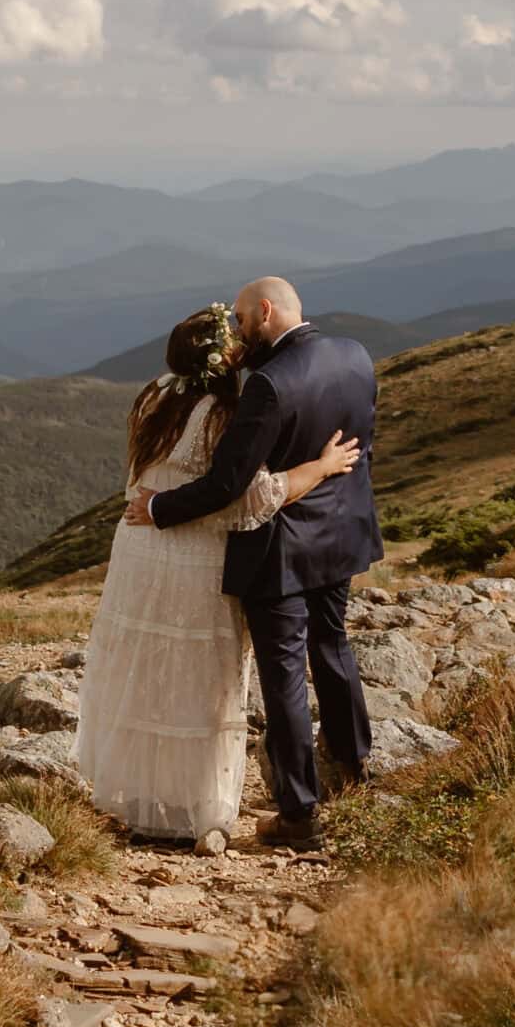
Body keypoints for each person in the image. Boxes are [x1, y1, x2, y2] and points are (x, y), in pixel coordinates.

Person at [79, 302, 366, 846]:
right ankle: (190, 807)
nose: (242, 340)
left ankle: (140, 797)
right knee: (199, 678)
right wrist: (321, 468)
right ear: (221, 358)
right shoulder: (220, 414)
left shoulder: (155, 396)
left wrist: (157, 504)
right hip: (193, 554)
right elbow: (248, 500)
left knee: (146, 668)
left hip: (139, 551)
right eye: (232, 336)